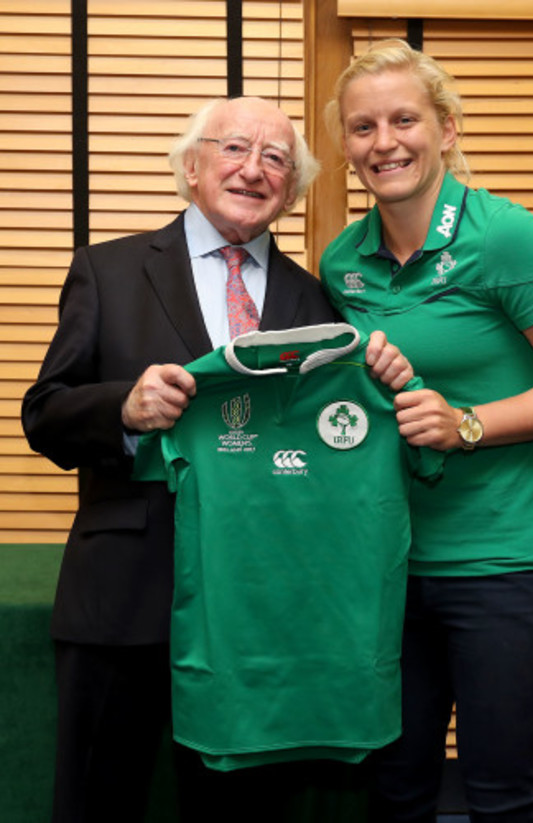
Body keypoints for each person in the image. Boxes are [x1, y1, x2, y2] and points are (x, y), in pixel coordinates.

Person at [22, 95, 411, 823]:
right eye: (235, 148)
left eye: (276, 160)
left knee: (238, 810)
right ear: (192, 166)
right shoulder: (107, 270)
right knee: (97, 799)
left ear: (291, 191)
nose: (253, 170)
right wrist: (123, 410)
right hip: (124, 596)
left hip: (256, 612)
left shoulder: (317, 301)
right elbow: (43, 413)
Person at [319, 39, 533, 823]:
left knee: (501, 798)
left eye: (403, 119)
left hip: (504, 573)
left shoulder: (507, 237)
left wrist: (470, 423)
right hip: (387, 573)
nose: (383, 142)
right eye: (361, 128)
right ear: (345, 147)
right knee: (392, 794)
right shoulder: (340, 261)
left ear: (447, 128)